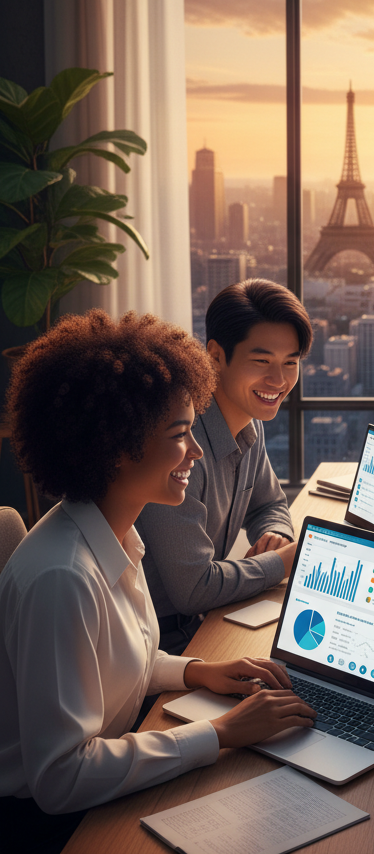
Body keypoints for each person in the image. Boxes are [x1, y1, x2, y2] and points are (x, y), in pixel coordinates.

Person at [0, 310, 315, 851]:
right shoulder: (63, 577)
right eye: (180, 435)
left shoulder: (115, 532)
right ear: (117, 447)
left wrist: (199, 671)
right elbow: (61, 778)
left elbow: (122, 663)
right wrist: (220, 733)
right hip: (50, 827)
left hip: (107, 773)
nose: (196, 452)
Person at [135, 279, 312, 655]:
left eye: (290, 363)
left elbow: (269, 504)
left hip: (200, 625)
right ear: (215, 355)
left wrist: (276, 535)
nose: (278, 381)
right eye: (262, 361)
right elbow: (193, 589)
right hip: (154, 644)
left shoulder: (251, 423)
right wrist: (283, 561)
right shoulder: (180, 448)